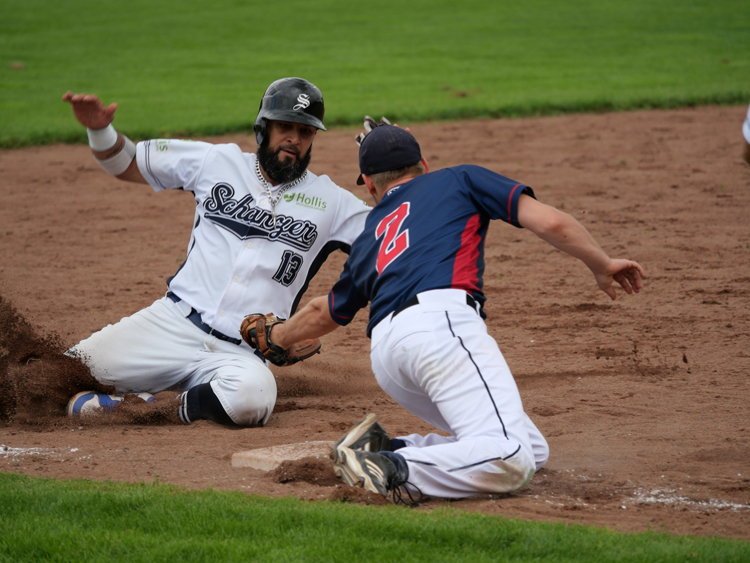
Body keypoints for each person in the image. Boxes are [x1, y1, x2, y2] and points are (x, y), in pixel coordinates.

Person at [265, 124, 645, 501]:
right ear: (424, 164)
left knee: (532, 448)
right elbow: (552, 222)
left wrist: (277, 337)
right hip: (439, 331)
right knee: (510, 457)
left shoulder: (371, 232)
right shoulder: (459, 178)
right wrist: (601, 263)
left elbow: (324, 311)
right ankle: (395, 471)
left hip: (388, 356)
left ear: (369, 184)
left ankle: (385, 448)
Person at [61, 78, 370, 426]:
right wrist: (101, 129)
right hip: (171, 326)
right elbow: (126, 162)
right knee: (57, 375)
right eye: (285, 126)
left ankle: (148, 407)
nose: (294, 139)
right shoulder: (216, 160)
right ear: (263, 127)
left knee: (252, 399)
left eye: (306, 131)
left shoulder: (331, 201)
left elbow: (395, 237)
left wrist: (397, 166)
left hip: (241, 354)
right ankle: (179, 396)